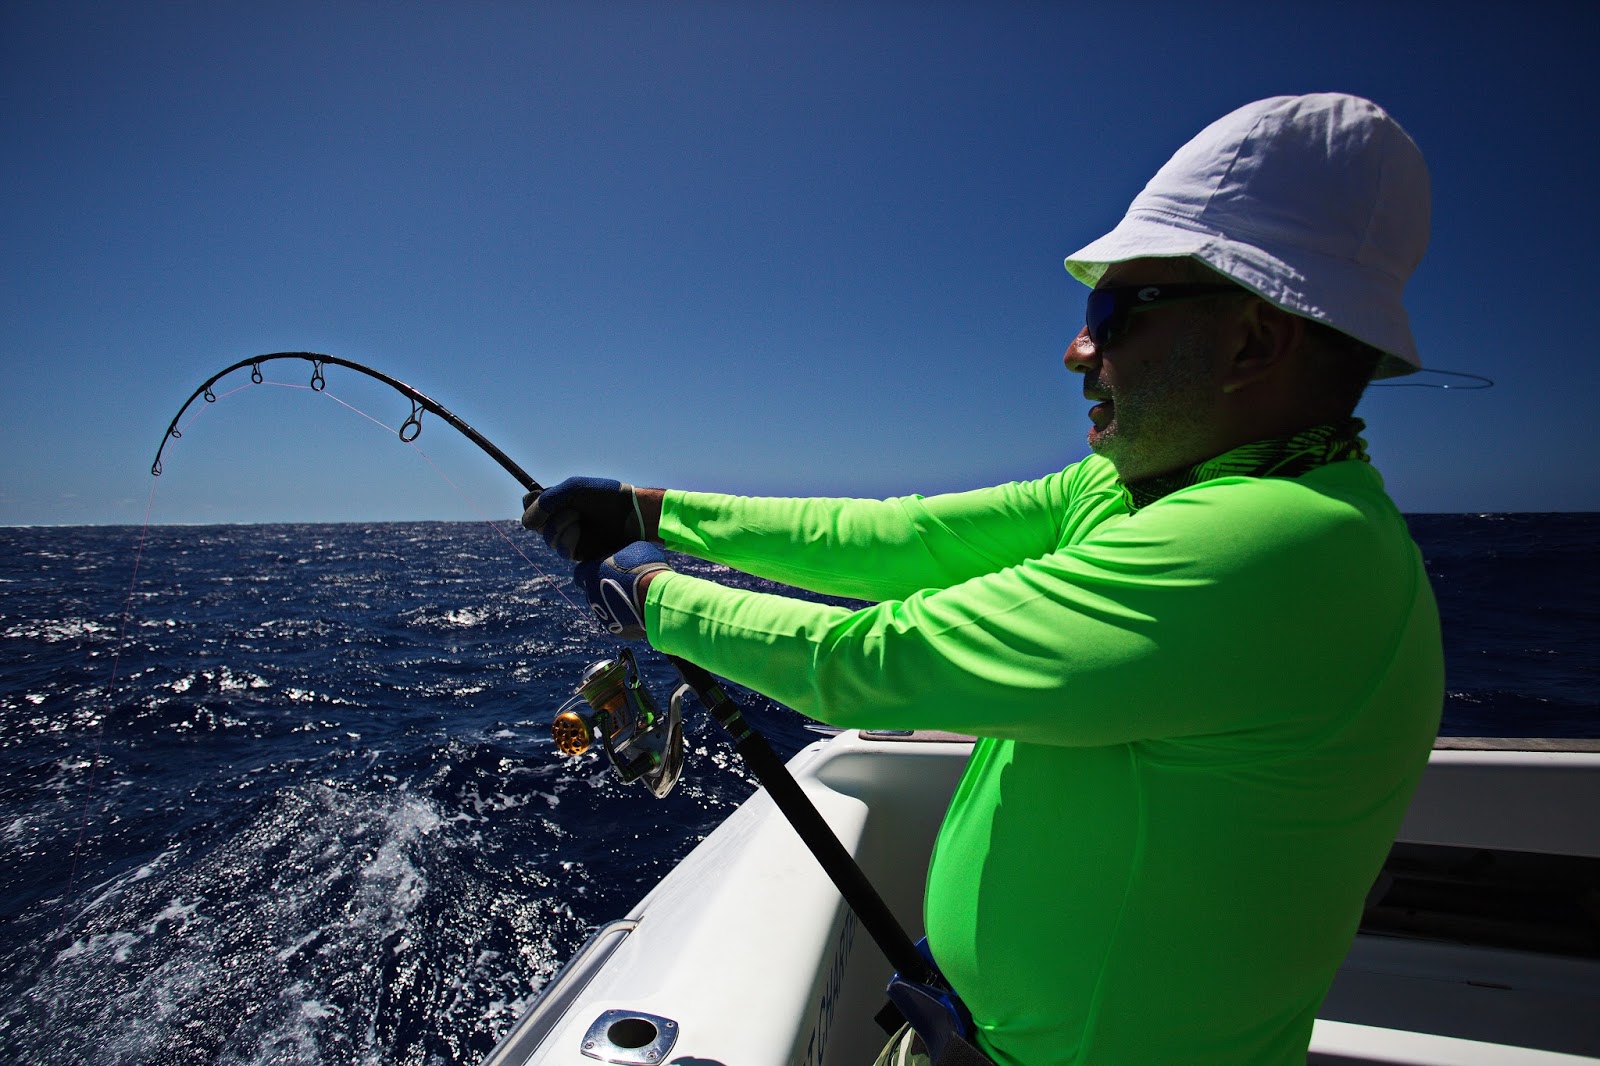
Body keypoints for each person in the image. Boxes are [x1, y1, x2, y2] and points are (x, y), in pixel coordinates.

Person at [523, 93, 1444, 1066]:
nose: (1077, 350)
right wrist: (655, 513)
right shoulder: (1140, 488)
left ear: (1253, 342)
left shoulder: (1283, 546)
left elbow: (870, 663)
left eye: (1113, 313)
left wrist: (652, 596)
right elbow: (903, 539)